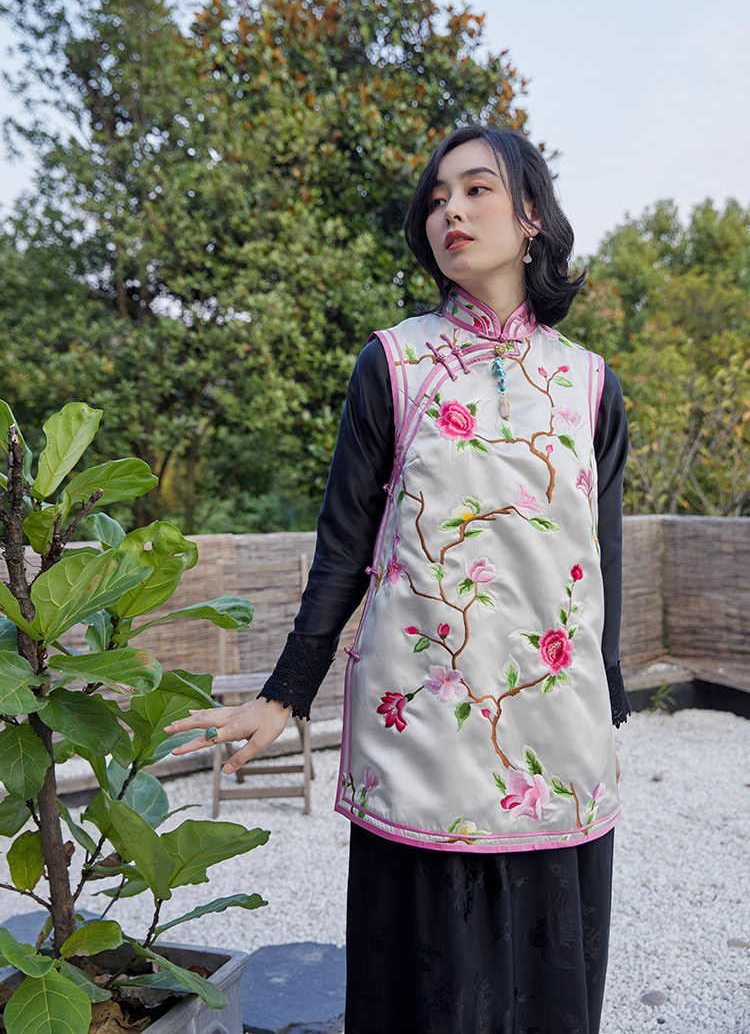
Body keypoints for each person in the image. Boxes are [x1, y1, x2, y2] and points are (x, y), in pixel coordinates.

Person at [165, 125, 630, 1034]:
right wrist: (286, 692)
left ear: (532, 214)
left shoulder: (591, 385)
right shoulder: (395, 365)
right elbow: (345, 545)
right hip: (424, 735)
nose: (450, 210)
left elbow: (600, 549)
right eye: (436, 199)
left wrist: (607, 689)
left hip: (557, 745)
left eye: (477, 189)